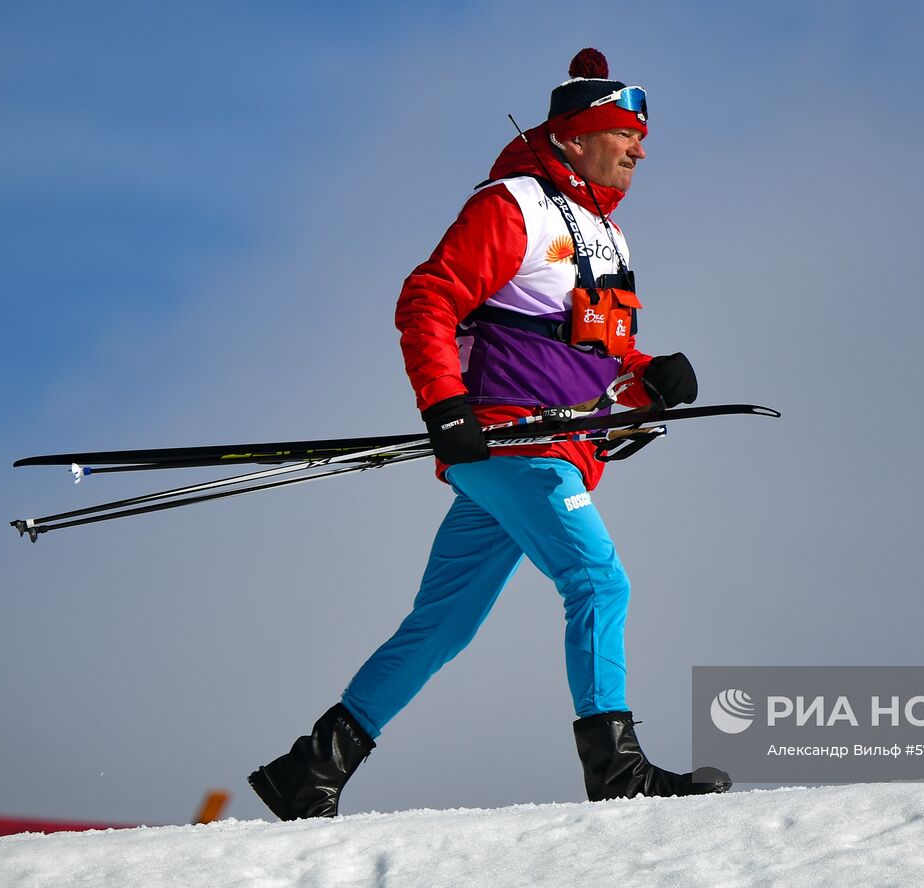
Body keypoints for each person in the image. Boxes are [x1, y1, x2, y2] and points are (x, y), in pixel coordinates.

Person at [248, 48, 731, 820]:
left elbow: (591, 358)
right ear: (574, 136)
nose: (640, 148)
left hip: (549, 448)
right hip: (512, 446)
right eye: (623, 132)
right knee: (599, 582)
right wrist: (445, 408)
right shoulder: (513, 206)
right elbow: (428, 300)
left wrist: (649, 379)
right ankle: (615, 770)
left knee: (443, 625)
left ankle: (310, 769)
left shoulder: (609, 239)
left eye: (643, 137)